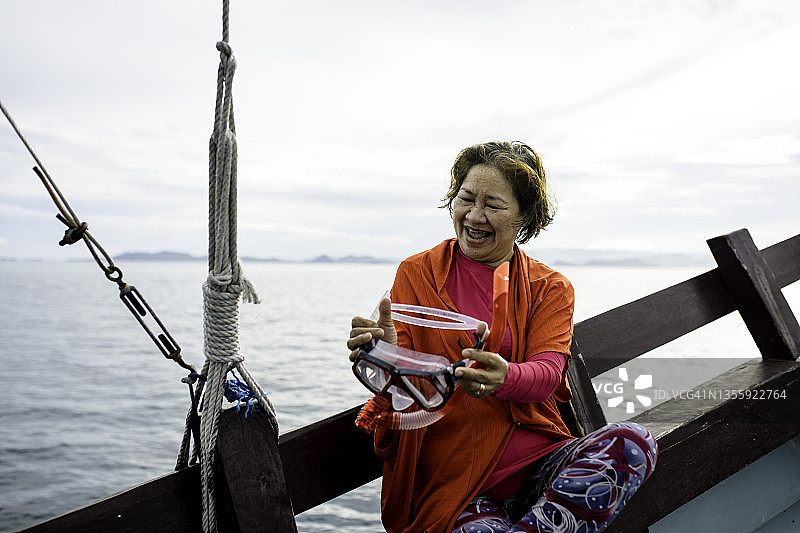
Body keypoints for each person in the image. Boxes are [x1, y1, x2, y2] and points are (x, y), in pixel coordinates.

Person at [347, 141, 657, 533]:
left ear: (524, 216)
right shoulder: (417, 272)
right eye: (466, 198)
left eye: (493, 205)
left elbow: (547, 374)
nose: (475, 215)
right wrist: (386, 353)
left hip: (542, 469)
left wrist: (504, 377)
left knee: (634, 442)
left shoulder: (550, 287)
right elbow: (408, 390)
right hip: (457, 484)